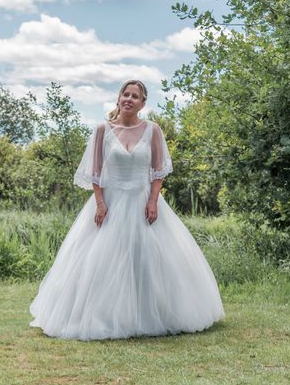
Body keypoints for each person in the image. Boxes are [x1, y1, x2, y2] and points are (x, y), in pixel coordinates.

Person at [29, 80, 224, 340]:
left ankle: (151, 314)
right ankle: (103, 316)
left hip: (143, 200)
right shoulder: (102, 130)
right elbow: (95, 173)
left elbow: (158, 171)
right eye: (125, 94)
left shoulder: (153, 130)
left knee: (148, 258)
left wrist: (153, 200)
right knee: (102, 261)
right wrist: (100, 202)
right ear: (119, 98)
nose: (129, 99)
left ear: (143, 103)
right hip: (110, 203)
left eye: (135, 96)